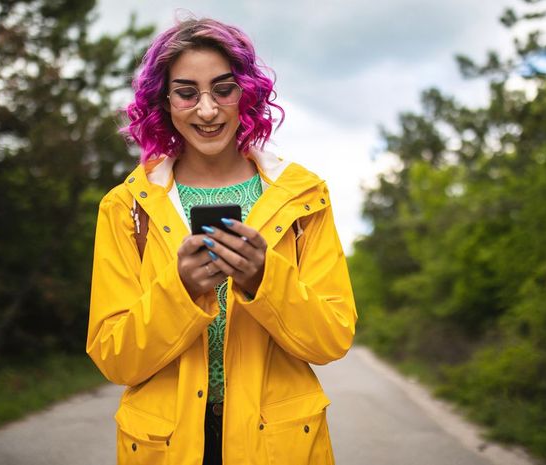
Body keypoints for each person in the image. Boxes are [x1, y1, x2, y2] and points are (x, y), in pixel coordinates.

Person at [86, 16, 357, 465]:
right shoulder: (125, 207)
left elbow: (331, 340)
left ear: (245, 93)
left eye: (223, 89)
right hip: (164, 446)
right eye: (187, 92)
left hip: (279, 444)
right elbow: (116, 360)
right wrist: (182, 289)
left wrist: (264, 278)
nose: (207, 110)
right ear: (165, 100)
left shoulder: (303, 198)